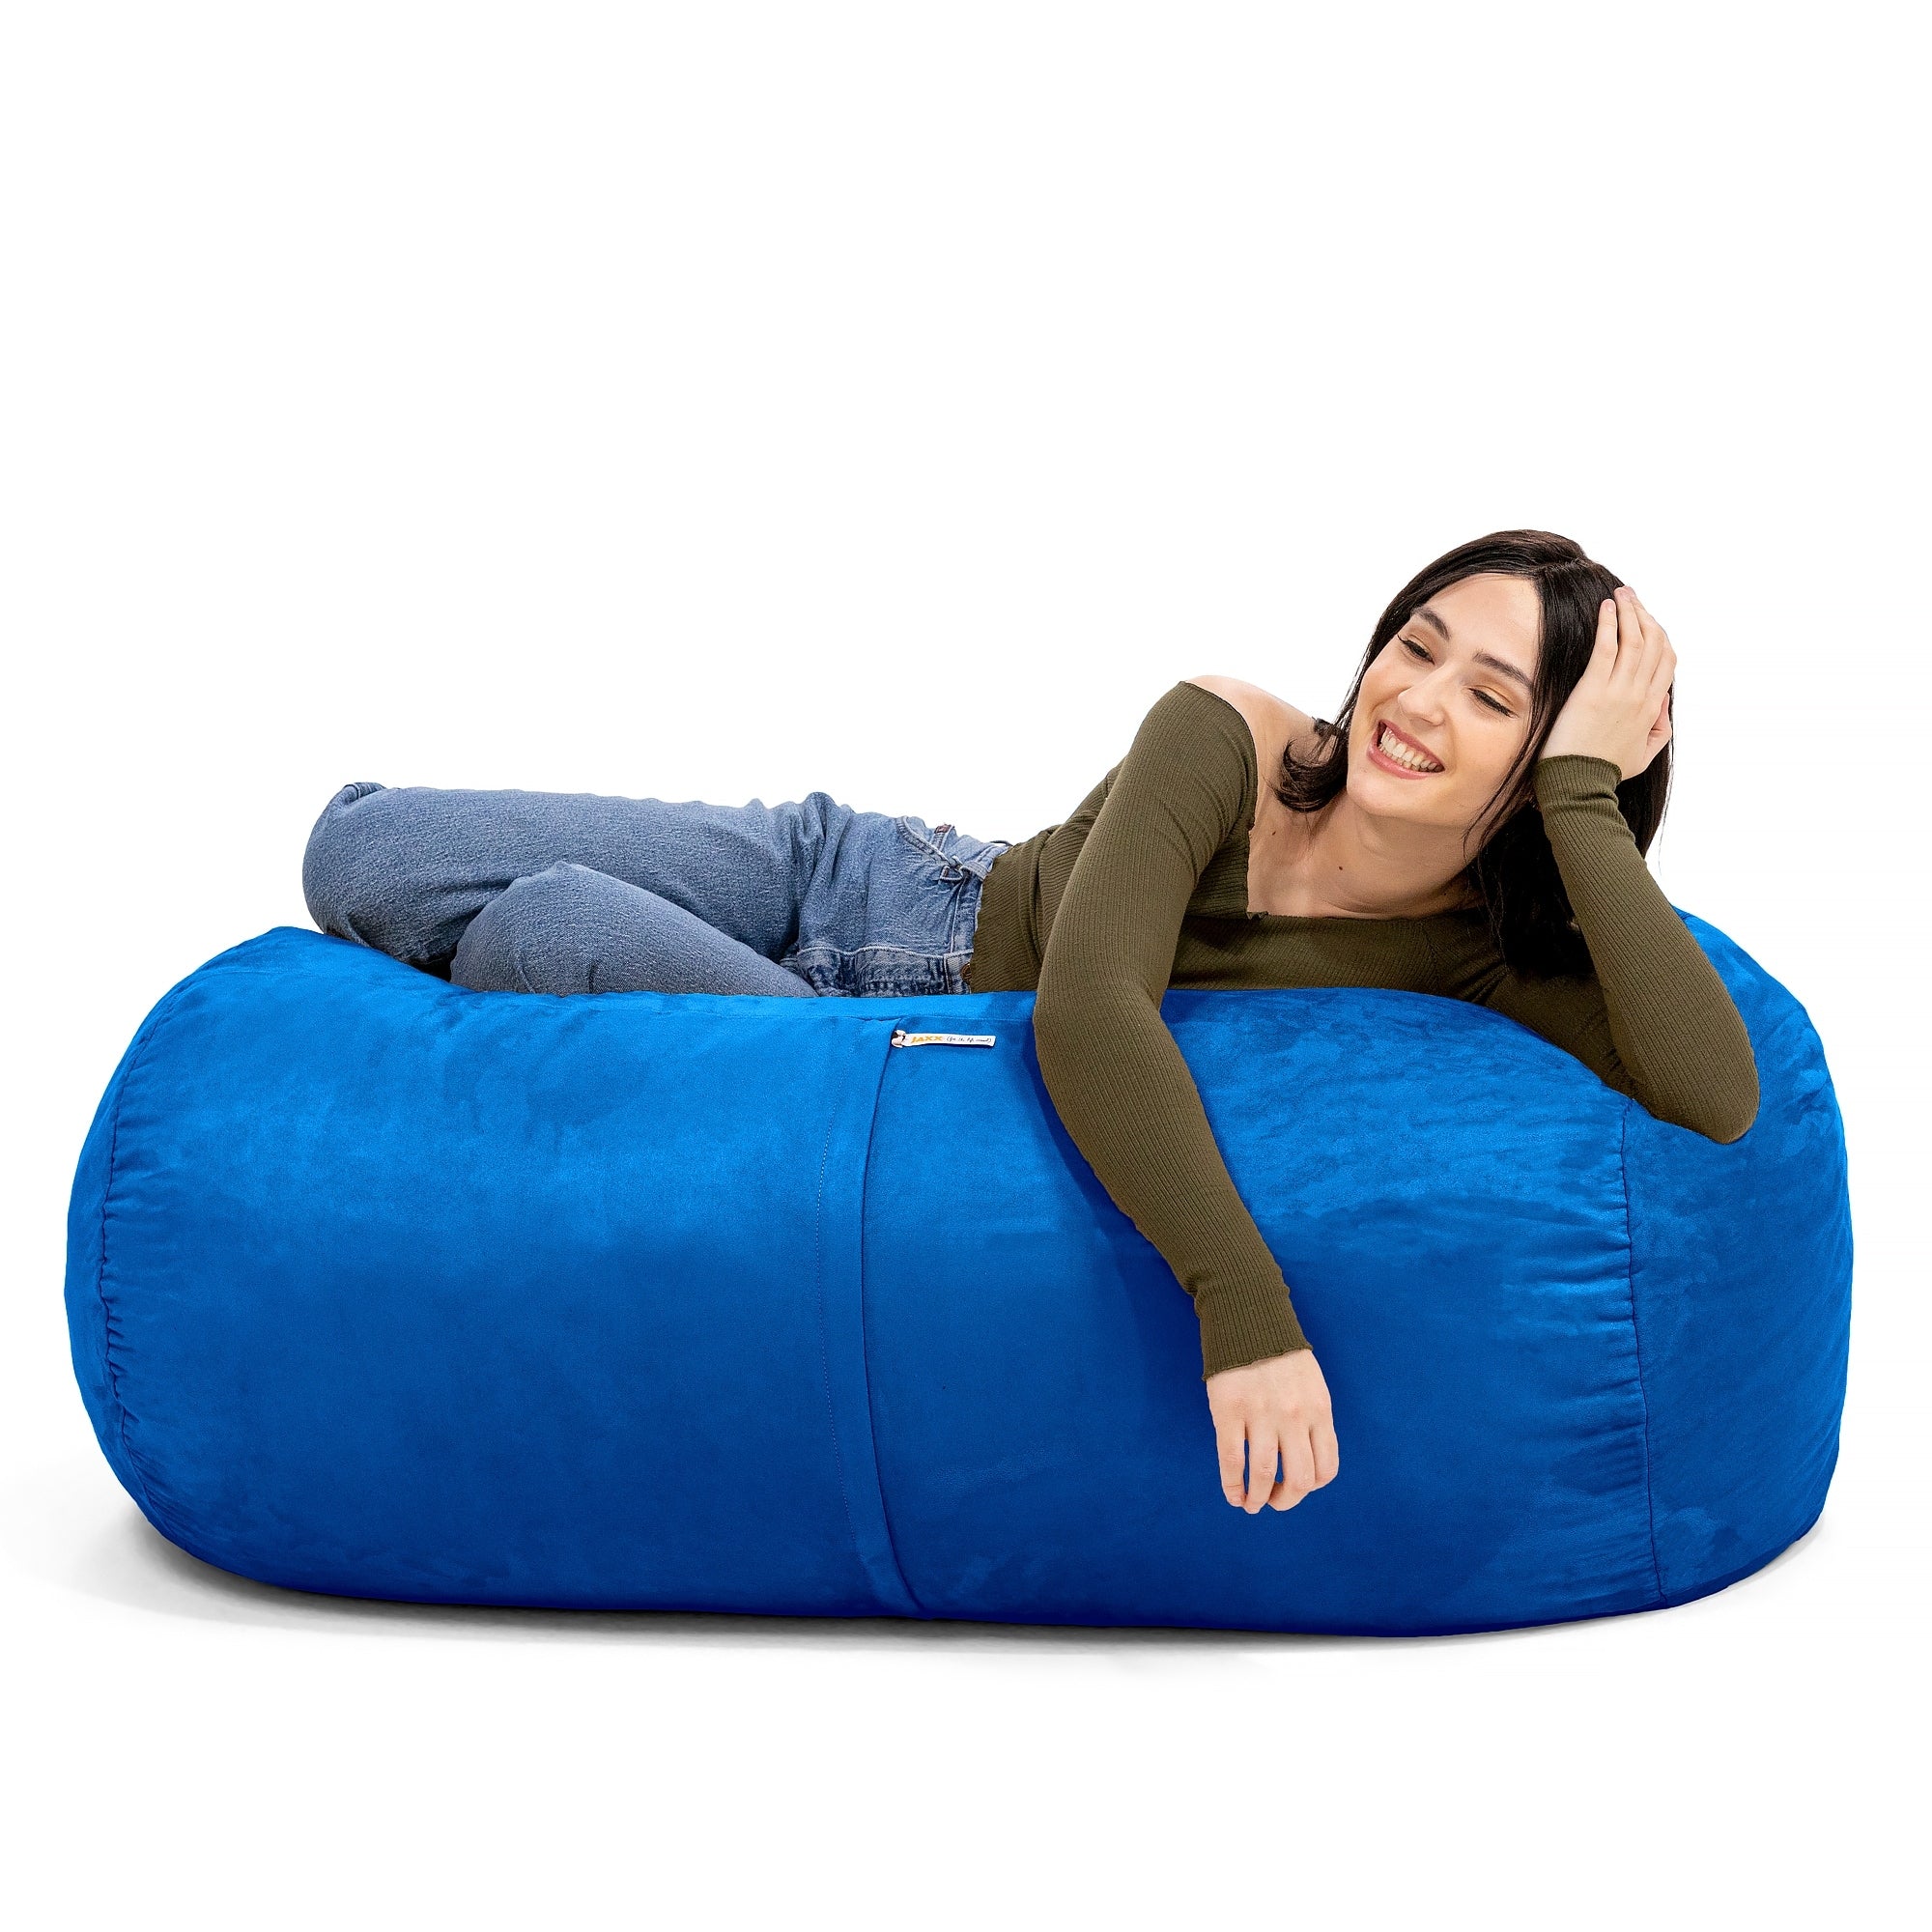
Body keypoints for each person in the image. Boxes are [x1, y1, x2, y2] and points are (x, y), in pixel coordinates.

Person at [303, 529, 1759, 1522]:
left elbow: (1716, 1094)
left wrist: (1582, 803)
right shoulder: (1232, 731)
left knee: (548, 930)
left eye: (1492, 697)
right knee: (361, 855)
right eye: (1416, 645)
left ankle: (522, 983)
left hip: (874, 1068)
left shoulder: (1486, 957)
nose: (1416, 699)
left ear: (1544, 763)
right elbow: (1093, 1003)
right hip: (864, 879)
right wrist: (1244, 1309)